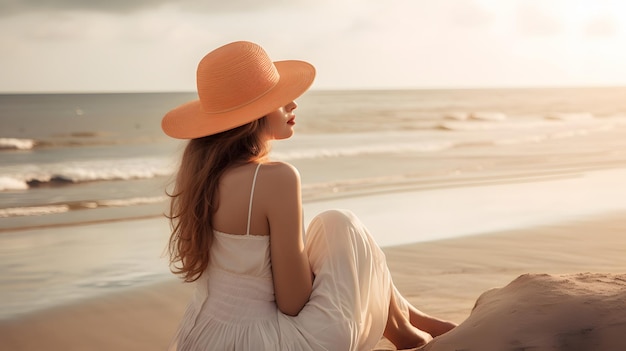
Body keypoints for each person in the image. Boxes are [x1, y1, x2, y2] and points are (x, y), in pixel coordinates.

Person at [162, 41, 456, 351]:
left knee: (334, 231)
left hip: (203, 336)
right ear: (252, 115)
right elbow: (293, 302)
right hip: (267, 341)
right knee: (340, 225)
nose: (293, 104)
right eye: (279, 98)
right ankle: (409, 334)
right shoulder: (276, 179)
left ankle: (413, 325)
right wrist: (318, 263)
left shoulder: (202, 177)